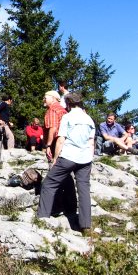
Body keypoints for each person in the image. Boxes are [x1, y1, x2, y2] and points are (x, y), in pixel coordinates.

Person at [37, 92, 95, 231]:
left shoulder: (67, 117)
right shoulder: (89, 120)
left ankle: (43, 217)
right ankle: (85, 225)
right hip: (85, 158)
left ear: (68, 104)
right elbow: (91, 142)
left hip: (68, 156)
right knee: (83, 190)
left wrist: (56, 158)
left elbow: (61, 139)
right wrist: (89, 158)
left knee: (49, 184)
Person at [43, 90, 67, 163]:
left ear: (53, 98)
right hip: (64, 143)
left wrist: (48, 146)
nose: (43, 100)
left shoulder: (53, 109)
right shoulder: (63, 110)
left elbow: (53, 128)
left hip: (55, 143)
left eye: (45, 98)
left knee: (54, 167)